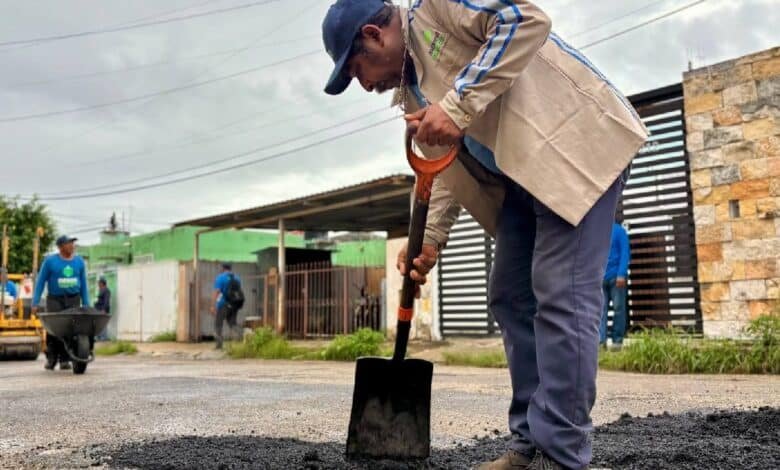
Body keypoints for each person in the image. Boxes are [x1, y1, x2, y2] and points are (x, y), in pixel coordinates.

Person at [321, 2, 647, 469]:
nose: (366, 86)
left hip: (575, 148)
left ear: (374, 35)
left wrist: (455, 106)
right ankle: (527, 442)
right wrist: (430, 236)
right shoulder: (412, 93)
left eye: (357, 71)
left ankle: (563, 455)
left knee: (561, 294)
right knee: (511, 296)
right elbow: (445, 161)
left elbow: (525, 20)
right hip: (520, 180)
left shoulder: (435, 8)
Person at [32, 235, 90, 371]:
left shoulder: (79, 262)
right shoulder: (50, 261)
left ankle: (65, 359)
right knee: (54, 330)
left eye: (73, 243)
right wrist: (35, 302)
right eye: (69, 243)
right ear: (60, 247)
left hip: (73, 299)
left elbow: (83, 285)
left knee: (71, 329)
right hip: (55, 300)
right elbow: (40, 282)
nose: (72, 246)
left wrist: (86, 303)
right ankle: (52, 358)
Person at [600, 221, 631, 350]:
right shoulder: (597, 233)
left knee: (618, 309)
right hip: (600, 279)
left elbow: (625, 252)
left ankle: (617, 341)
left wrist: (622, 273)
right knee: (600, 311)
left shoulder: (619, 231)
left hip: (616, 278)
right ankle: (601, 342)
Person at [211, 263, 242, 350]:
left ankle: (219, 345)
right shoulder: (237, 278)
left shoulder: (220, 278)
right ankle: (243, 336)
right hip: (234, 305)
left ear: (223, 268)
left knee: (218, 324)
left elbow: (217, 292)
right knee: (232, 324)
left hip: (223, 304)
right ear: (230, 268)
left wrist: (213, 306)